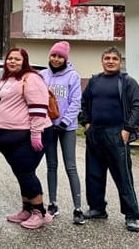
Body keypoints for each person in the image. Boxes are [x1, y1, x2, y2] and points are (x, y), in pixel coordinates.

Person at [81, 46, 139, 232]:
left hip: (117, 134)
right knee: (94, 174)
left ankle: (131, 216)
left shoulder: (127, 82)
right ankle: (97, 208)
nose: (110, 61)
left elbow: (138, 108)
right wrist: (86, 124)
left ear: (119, 62)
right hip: (95, 134)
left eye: (114, 59)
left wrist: (127, 130)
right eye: (107, 58)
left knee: (123, 177)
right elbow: (84, 103)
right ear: (102, 61)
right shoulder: (94, 81)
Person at [0, 47, 54, 230]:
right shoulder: (6, 79)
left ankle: (40, 213)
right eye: (10, 58)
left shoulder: (31, 78)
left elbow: (38, 108)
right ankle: (27, 209)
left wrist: (36, 133)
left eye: (17, 59)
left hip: (29, 135)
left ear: (24, 61)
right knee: (21, 173)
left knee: (26, 172)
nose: (12, 62)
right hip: (7, 136)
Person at [40, 41, 85, 224]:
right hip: (48, 126)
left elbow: (76, 102)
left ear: (65, 58)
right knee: (51, 165)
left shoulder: (73, 76)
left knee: (70, 166)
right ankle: (52, 203)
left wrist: (64, 122)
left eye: (60, 56)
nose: (56, 59)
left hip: (67, 127)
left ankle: (78, 208)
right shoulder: (42, 75)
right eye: (54, 55)